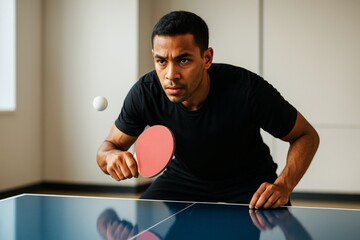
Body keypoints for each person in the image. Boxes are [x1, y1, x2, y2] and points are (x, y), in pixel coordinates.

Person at [96, 11, 320, 209]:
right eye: (161, 61)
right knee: (139, 223)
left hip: (248, 182)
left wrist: (284, 185)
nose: (170, 74)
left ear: (207, 58)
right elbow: (107, 149)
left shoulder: (247, 89)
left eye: (183, 60)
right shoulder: (146, 92)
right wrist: (111, 156)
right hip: (184, 179)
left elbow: (306, 135)